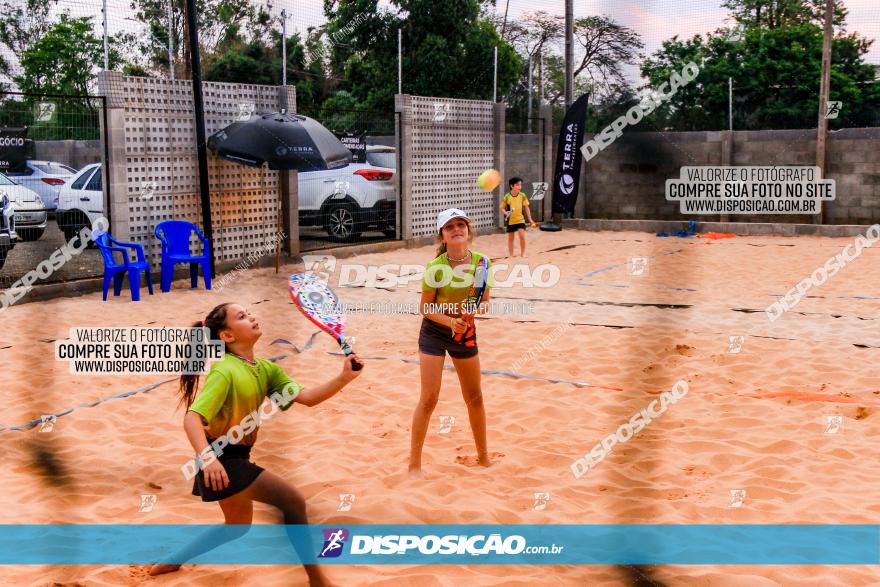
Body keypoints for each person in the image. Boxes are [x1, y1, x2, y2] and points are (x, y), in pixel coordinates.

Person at [149, 302, 363, 586]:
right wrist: (209, 460)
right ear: (227, 336)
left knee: (236, 527)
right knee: (293, 501)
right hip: (220, 461)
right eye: (241, 317)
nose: (251, 317)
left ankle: (172, 560)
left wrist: (343, 378)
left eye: (249, 313)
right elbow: (192, 419)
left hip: (236, 457)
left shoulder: (265, 370)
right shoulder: (224, 370)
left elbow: (309, 398)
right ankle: (317, 580)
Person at [409, 209, 493, 477]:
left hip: (465, 331)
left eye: (460, 225)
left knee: (475, 398)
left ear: (468, 231)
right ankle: (414, 466)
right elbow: (425, 308)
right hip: (435, 330)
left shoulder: (482, 264)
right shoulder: (436, 268)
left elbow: (485, 300)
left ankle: (483, 458)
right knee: (429, 398)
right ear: (442, 236)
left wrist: (473, 312)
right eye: (449, 227)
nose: (456, 229)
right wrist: (450, 321)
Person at [501, 177, 537, 257]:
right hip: (511, 221)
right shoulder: (507, 196)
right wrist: (506, 213)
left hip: (520, 220)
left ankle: (523, 253)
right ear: (512, 186)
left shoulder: (522, 195)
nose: (520, 187)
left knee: (522, 236)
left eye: (520, 185)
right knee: (511, 238)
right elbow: (502, 208)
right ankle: (511, 255)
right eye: (517, 185)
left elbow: (527, 208)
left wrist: (530, 220)